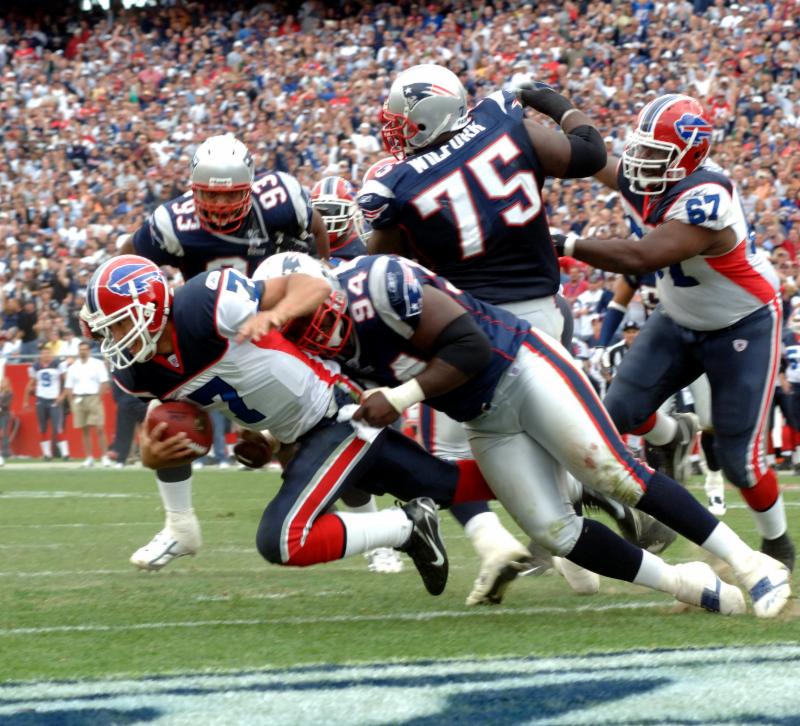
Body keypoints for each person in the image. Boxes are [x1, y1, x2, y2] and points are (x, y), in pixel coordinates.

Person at [257, 250, 791, 618]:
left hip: (521, 366)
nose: (312, 328)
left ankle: (750, 565)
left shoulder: (377, 281)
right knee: (554, 531)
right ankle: (684, 581)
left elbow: (469, 347)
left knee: (615, 472)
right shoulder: (321, 351)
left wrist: (399, 398)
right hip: (483, 417)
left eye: (310, 312)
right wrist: (270, 441)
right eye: (296, 326)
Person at [358, 65, 669, 604]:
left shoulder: (407, 185)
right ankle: (586, 545)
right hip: (545, 309)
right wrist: (548, 98)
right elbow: (590, 152)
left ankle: (498, 542)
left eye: (403, 122)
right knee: (544, 437)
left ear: (430, 118)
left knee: (449, 453)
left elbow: (381, 266)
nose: (395, 132)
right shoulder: (502, 128)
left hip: (479, 328)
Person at [81, 254, 497, 596]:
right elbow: (176, 427)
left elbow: (313, 286)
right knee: (448, 485)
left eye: (118, 324)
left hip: (339, 412)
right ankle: (539, 484)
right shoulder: (138, 373)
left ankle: (406, 527)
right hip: (304, 434)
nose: (113, 339)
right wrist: (156, 457)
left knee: (282, 539)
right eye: (106, 331)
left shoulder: (204, 302)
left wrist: (275, 314)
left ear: (152, 306)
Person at [553, 93, 795, 570]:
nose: (639, 160)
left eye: (654, 152)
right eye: (641, 147)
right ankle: (670, 437)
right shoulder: (651, 180)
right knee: (613, 415)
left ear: (688, 156)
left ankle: (777, 542)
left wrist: (567, 242)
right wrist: (555, 107)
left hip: (741, 325)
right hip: (678, 318)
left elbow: (642, 257)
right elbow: (594, 156)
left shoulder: (708, 198)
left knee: (739, 460)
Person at [117, 134, 330, 278]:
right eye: (211, 194)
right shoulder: (173, 223)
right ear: (195, 190)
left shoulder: (279, 200)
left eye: (231, 195)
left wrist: (324, 265)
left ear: (249, 188)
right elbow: (129, 253)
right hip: (206, 320)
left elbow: (318, 226)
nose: (220, 205)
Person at [58, 341, 111, 468]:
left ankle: (105, 457)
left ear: (89, 350)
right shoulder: (73, 367)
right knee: (84, 429)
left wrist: (98, 398)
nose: (83, 351)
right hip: (78, 398)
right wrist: (71, 403)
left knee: (99, 428)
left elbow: (104, 383)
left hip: (93, 397)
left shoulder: (97, 364)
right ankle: (89, 457)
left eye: (85, 349)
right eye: (81, 349)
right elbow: (69, 387)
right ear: (78, 351)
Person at [23, 346, 69, 460]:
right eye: (43, 353)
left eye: (48, 353)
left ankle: (65, 454)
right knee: (42, 427)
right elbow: (30, 383)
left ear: (51, 354)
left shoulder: (58, 364)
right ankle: (47, 454)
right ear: (40, 355)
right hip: (41, 399)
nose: (46, 355)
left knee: (57, 427)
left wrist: (62, 396)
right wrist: (25, 400)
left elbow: (67, 381)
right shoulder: (35, 367)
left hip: (54, 399)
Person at [309, 176, 368, 262]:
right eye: (320, 211)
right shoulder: (306, 245)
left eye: (335, 211)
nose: (326, 219)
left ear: (351, 212)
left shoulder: (362, 251)